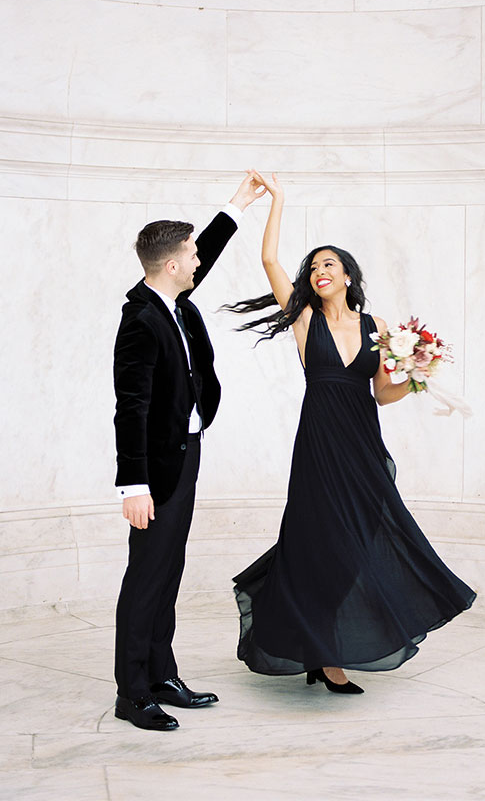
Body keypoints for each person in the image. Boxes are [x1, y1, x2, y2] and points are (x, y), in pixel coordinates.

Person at [228, 171, 476, 694]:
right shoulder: (301, 320)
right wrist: (278, 199)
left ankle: (322, 640)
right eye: (314, 265)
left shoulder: (376, 325)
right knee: (316, 540)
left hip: (361, 443)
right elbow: (270, 261)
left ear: (347, 277)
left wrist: (415, 375)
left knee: (357, 541)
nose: (319, 270)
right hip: (318, 444)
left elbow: (382, 395)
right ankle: (325, 654)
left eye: (329, 264)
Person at [113, 172, 266, 730]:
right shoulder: (141, 320)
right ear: (172, 264)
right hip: (154, 471)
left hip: (186, 454)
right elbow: (129, 408)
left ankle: (161, 674)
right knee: (146, 576)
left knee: (168, 571)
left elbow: (212, 249)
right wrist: (133, 485)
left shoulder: (173, 300)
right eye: (191, 255)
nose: (198, 260)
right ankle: (133, 694)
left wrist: (238, 205)